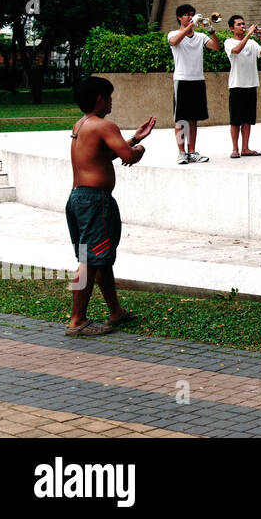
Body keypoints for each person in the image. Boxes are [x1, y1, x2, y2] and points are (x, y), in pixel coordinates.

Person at [65, 77, 156, 337]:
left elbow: (102, 155)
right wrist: (139, 147)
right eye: (109, 96)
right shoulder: (104, 125)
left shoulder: (81, 124)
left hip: (77, 199)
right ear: (99, 99)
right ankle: (77, 320)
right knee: (89, 261)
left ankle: (116, 312)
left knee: (97, 257)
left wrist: (132, 137)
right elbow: (127, 157)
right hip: (96, 202)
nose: (111, 101)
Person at [167, 5, 220, 164]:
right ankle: (181, 152)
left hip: (198, 80)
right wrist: (191, 25)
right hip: (182, 81)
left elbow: (216, 47)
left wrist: (211, 30)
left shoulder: (200, 37)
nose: (190, 17)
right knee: (180, 120)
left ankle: (192, 151)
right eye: (187, 15)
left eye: (192, 15)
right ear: (179, 18)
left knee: (193, 120)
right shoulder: (174, 34)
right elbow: (174, 42)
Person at [224, 15, 261, 158]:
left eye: (243, 24)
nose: (242, 26)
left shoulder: (251, 43)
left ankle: (245, 148)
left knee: (247, 120)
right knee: (235, 120)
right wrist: (249, 34)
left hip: (251, 84)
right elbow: (236, 50)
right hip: (237, 85)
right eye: (239, 24)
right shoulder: (229, 42)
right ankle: (235, 149)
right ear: (232, 28)